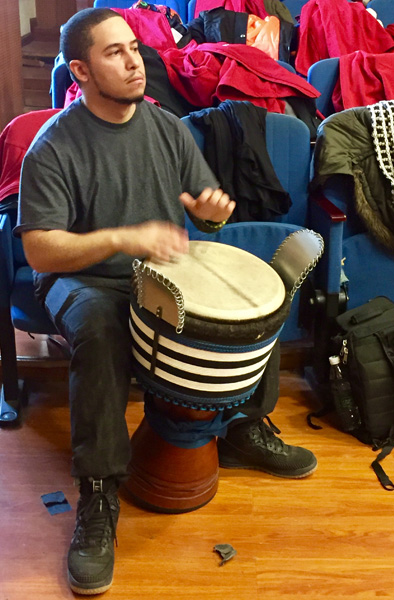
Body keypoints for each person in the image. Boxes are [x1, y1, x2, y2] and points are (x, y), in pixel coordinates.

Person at [15, 8, 317, 596]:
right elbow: (42, 252)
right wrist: (123, 238)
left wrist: (208, 207)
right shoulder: (51, 148)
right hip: (85, 279)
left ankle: (244, 427)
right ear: (79, 70)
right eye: (115, 53)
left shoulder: (166, 127)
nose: (134, 62)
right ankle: (99, 495)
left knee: (252, 299)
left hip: (158, 271)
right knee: (101, 330)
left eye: (134, 48)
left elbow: (198, 194)